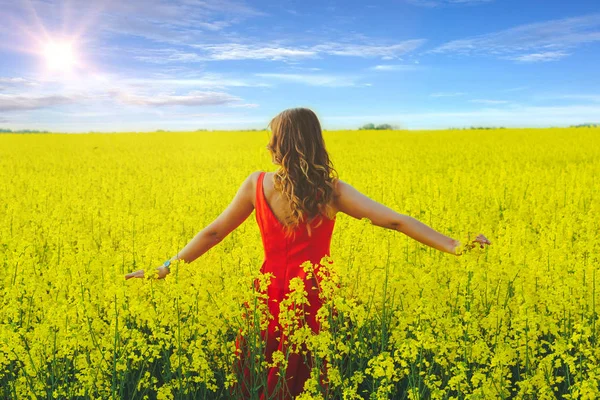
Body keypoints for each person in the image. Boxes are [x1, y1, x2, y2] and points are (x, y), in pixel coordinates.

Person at [125, 107, 491, 398]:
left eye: (271, 138)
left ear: (281, 143)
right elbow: (395, 221)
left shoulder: (257, 184)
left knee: (262, 379)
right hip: (315, 293)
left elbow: (214, 232)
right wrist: (456, 246)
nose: (267, 145)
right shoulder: (332, 190)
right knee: (310, 381)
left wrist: (164, 268)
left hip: (268, 293)